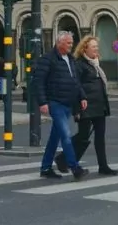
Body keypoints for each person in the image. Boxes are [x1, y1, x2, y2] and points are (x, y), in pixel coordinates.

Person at [55, 36, 118, 175]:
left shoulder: (95, 64)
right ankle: (63, 158)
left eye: (97, 46)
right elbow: (75, 86)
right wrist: (76, 108)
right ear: (85, 48)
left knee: (100, 138)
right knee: (83, 136)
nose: (96, 49)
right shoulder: (79, 64)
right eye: (93, 47)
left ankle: (103, 166)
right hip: (86, 106)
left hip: (99, 106)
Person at [35, 31, 89, 180]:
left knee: (55, 137)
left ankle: (45, 168)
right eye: (68, 43)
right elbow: (38, 82)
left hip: (68, 103)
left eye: (71, 43)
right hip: (55, 102)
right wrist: (43, 102)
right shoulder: (48, 59)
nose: (71, 46)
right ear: (59, 43)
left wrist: (82, 97)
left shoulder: (70, 59)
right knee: (65, 135)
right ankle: (74, 167)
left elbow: (75, 81)